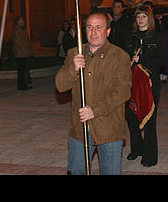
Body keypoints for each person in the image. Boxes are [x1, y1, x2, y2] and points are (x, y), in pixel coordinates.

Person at [55, 10, 132, 175]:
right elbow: (60, 86)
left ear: (108, 31)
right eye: (89, 27)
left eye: (99, 27)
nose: (93, 32)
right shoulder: (74, 53)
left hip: (109, 128)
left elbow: (122, 92)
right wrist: (73, 69)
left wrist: (94, 110)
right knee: (77, 171)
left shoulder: (119, 56)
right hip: (80, 128)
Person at [123, 5, 165, 167]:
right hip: (132, 81)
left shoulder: (157, 37)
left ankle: (150, 156)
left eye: (144, 16)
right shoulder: (130, 38)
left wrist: (144, 61)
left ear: (150, 19)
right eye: (138, 16)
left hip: (150, 81)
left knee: (150, 117)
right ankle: (137, 149)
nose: (141, 19)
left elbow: (162, 60)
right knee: (131, 115)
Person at [12, 16, 34, 90]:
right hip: (20, 54)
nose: (23, 21)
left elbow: (27, 42)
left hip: (24, 53)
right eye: (22, 20)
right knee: (21, 70)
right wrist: (27, 52)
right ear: (18, 22)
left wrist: (30, 50)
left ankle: (25, 83)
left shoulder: (23, 30)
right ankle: (22, 85)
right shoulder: (17, 31)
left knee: (25, 70)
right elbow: (20, 44)